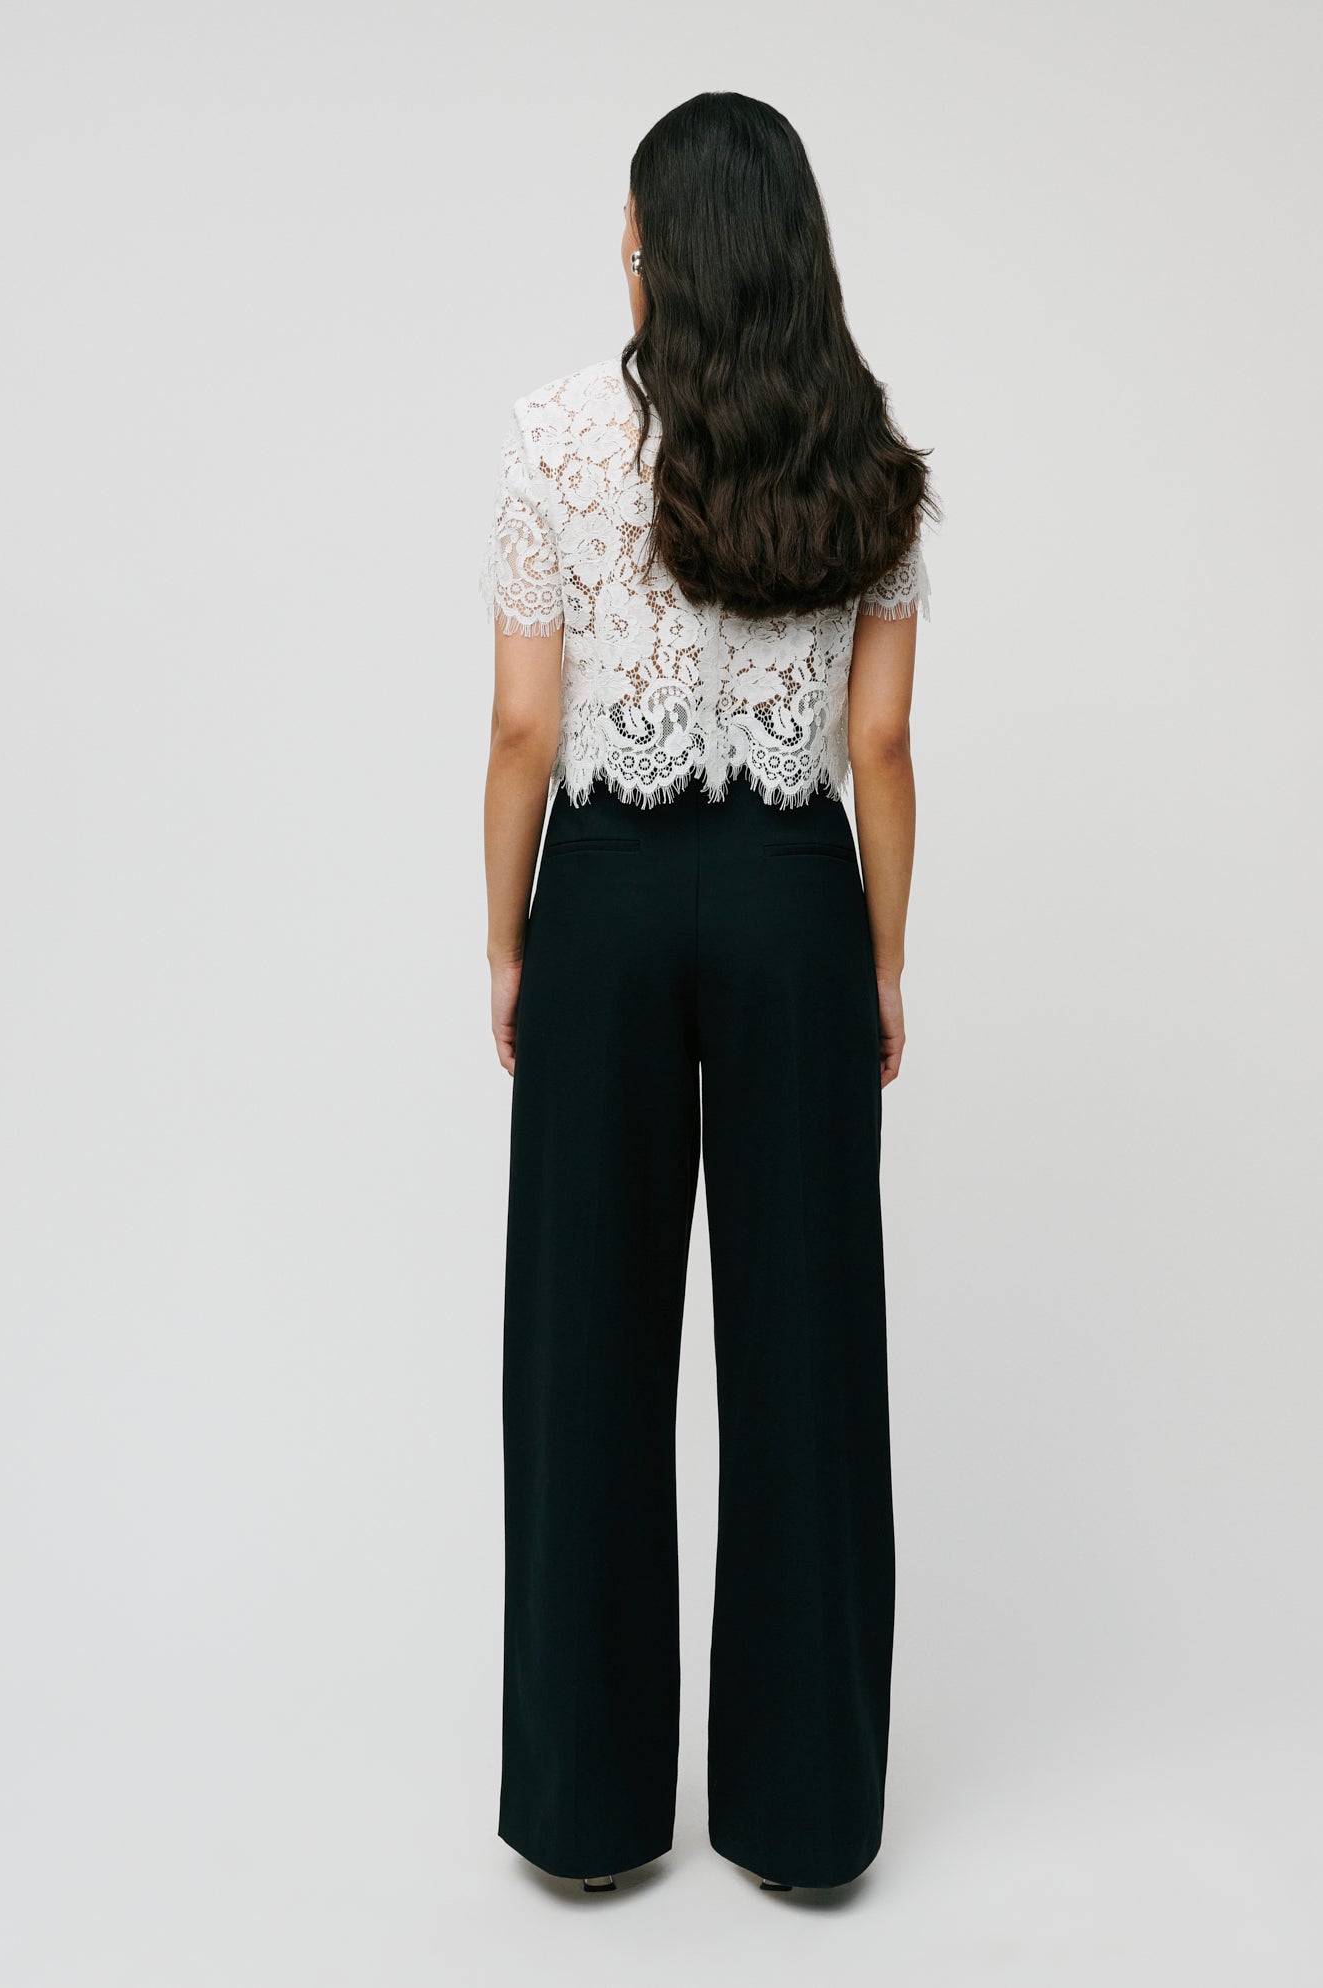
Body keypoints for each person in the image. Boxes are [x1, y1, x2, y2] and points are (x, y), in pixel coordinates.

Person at [479, 91, 936, 1896]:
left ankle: (588, 1821)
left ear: (652, 239)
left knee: (582, 1341)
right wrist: (880, 959)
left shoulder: (550, 440)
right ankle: (809, 1821)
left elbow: (524, 725)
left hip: (598, 889)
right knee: (811, 1342)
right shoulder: (868, 453)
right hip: (791, 897)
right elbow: (880, 744)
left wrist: (504, 936)